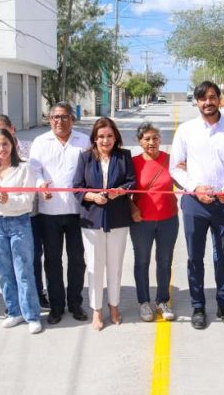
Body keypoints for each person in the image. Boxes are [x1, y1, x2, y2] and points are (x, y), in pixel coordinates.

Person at [169, 80, 224, 330]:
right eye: (203, 98)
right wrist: (195, 188)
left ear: (220, 99)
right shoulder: (186, 130)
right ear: (197, 101)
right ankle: (198, 306)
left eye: (212, 97)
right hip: (195, 203)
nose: (208, 102)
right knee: (195, 257)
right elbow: (175, 167)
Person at [29, 102, 90, 325]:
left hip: (77, 211)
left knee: (77, 260)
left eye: (64, 117)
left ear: (72, 119)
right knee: (52, 261)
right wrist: (39, 184)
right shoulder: (40, 142)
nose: (59, 121)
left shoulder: (83, 141)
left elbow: (89, 170)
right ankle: (56, 307)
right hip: (49, 212)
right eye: (55, 117)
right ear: (49, 119)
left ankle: (75, 303)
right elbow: (33, 170)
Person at [0, 129, 43, 333]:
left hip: (19, 223)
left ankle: (32, 315)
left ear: (13, 145)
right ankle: (14, 312)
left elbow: (28, 199)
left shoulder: (24, 168)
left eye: (5, 144)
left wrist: (8, 199)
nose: (1, 149)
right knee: (5, 271)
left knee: (23, 270)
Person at [73, 117, 135, 330]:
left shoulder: (124, 156)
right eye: (101, 137)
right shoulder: (86, 158)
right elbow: (77, 187)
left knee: (115, 267)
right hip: (92, 220)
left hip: (118, 219)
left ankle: (114, 306)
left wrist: (122, 191)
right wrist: (91, 196)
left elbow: (131, 181)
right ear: (94, 139)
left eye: (109, 136)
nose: (105, 140)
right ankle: (97, 311)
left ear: (115, 137)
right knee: (95, 267)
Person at [0, 114, 48, 308]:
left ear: (12, 129)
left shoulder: (30, 149)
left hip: (30, 213)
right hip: (2, 217)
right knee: (7, 263)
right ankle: (14, 304)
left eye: (3, 130)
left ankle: (36, 296)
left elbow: (38, 173)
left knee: (31, 258)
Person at [129, 122, 178, 322]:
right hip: (141, 221)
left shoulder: (171, 160)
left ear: (161, 140)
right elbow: (125, 190)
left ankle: (162, 301)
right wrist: (132, 208)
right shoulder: (132, 162)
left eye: (155, 138)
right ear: (140, 141)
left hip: (168, 219)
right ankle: (144, 302)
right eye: (147, 139)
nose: (152, 142)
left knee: (165, 262)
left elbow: (186, 180)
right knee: (142, 262)